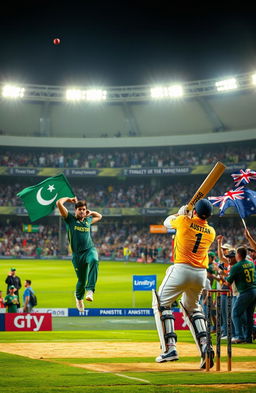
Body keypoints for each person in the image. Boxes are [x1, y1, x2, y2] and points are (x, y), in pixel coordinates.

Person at [153, 199, 215, 369]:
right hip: (200, 275)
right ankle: (205, 347)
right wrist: (187, 215)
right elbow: (197, 226)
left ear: (194, 211)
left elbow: (167, 223)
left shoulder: (183, 221)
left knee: (161, 303)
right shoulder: (211, 231)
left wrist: (179, 213)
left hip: (181, 269)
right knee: (192, 308)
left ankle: (169, 348)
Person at [56, 197, 102, 312]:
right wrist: (68, 199)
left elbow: (99, 216)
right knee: (81, 280)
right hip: (77, 256)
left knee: (94, 260)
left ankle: (90, 290)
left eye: (84, 209)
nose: (82, 211)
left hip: (89, 250)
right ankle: (79, 298)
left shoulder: (88, 220)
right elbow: (58, 203)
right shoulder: (70, 219)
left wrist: (91, 212)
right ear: (75, 210)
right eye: (80, 209)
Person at [225, 247, 256, 344]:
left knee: (235, 313)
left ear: (238, 255)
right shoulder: (250, 263)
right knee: (249, 316)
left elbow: (227, 284)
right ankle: (248, 338)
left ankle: (240, 336)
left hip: (245, 292)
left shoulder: (236, 266)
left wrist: (224, 278)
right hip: (254, 290)